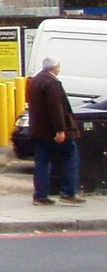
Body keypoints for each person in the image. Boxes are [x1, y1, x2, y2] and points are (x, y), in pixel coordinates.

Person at [27, 56, 85, 205]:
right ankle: (69, 192)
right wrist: (60, 130)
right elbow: (56, 108)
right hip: (52, 131)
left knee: (41, 161)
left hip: (39, 130)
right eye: (59, 67)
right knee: (70, 155)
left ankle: (40, 195)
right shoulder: (52, 82)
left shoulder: (35, 81)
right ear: (55, 67)